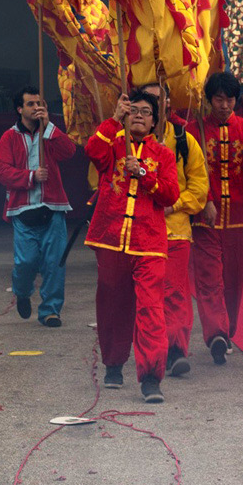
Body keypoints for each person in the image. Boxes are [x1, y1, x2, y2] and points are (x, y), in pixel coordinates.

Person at [84, 90, 179, 403]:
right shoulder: (112, 142)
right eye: (133, 110)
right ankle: (113, 363)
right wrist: (112, 119)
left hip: (148, 242)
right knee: (112, 300)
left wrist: (144, 174)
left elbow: (170, 194)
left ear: (154, 121)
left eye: (146, 112)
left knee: (151, 308)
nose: (139, 115)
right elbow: (91, 150)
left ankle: (152, 376)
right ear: (125, 114)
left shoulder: (163, 155)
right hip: (110, 237)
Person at [186, 72, 243, 365]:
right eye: (219, 99)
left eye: (230, 100)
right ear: (209, 100)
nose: (224, 105)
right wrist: (205, 202)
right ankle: (216, 334)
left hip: (239, 218)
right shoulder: (193, 131)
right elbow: (188, 172)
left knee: (233, 280)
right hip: (204, 220)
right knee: (208, 277)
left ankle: (228, 331)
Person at [141, 82, 209, 378]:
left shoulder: (184, 140)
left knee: (175, 293)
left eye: (160, 99)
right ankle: (154, 349)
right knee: (147, 297)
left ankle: (176, 349)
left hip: (175, 230)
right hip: (139, 233)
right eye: (149, 100)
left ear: (169, 103)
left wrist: (174, 204)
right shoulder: (126, 142)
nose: (156, 105)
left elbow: (199, 187)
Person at [0, 86, 75, 327]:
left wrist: (49, 126)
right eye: (31, 104)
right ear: (20, 109)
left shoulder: (50, 132)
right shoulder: (8, 137)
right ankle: (22, 290)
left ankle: (50, 311)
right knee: (25, 263)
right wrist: (30, 177)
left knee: (54, 263)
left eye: (40, 104)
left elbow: (69, 152)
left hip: (53, 208)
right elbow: (1, 171)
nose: (37, 108)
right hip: (23, 210)